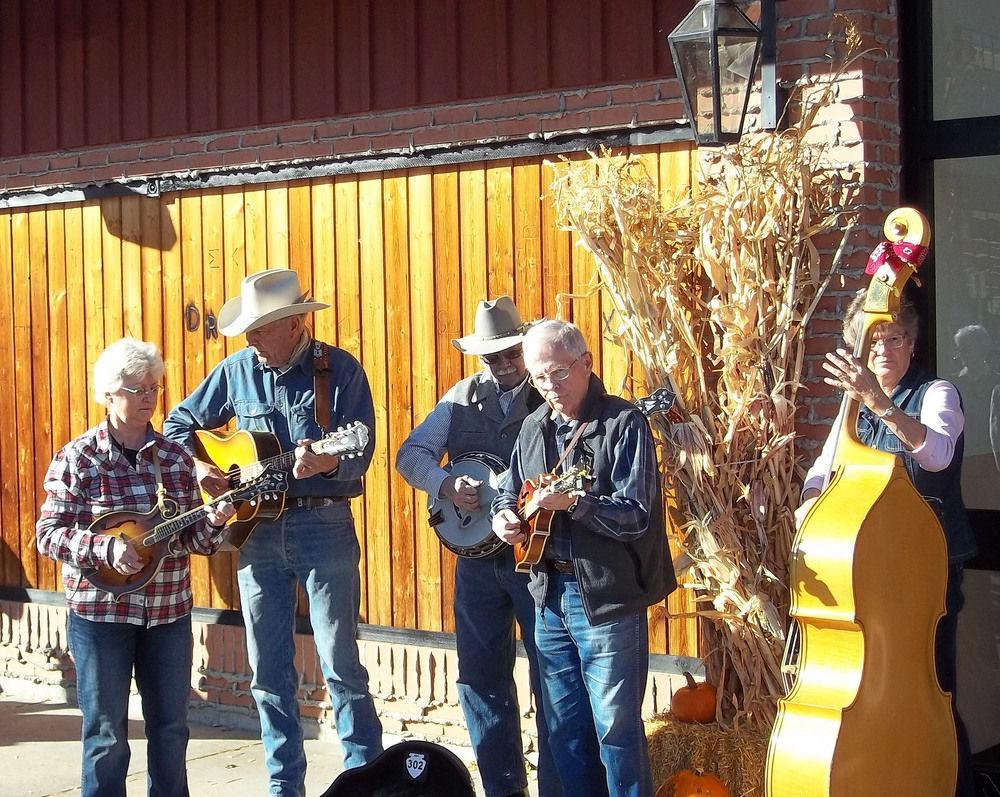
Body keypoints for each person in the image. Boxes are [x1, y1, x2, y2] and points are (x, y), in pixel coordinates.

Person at [162, 269, 383, 797]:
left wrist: (324, 463)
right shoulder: (236, 370)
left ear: (294, 323)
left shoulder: (339, 371)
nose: (250, 339)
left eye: (260, 329)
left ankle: (369, 782)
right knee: (268, 673)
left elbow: (362, 450)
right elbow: (176, 425)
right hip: (255, 534)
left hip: (323, 526)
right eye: (249, 330)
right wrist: (201, 468)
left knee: (341, 664)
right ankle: (285, 787)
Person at [36, 338, 235, 797]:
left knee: (170, 730)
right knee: (106, 736)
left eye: (154, 388)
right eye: (137, 387)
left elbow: (188, 541)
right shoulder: (79, 458)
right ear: (109, 393)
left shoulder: (175, 459)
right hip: (100, 616)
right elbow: (48, 534)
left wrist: (213, 522)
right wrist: (105, 549)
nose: (148, 396)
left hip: (167, 614)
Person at [797, 291, 977, 797]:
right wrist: (811, 504)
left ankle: (951, 785)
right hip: (875, 567)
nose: (882, 351)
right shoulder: (852, 406)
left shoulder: (937, 392)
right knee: (880, 689)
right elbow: (822, 469)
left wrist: (878, 402)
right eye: (872, 341)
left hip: (928, 563)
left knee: (930, 689)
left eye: (892, 339)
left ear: (911, 344)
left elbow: (937, 454)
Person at [491, 319, 676, 797]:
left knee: (616, 733)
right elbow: (507, 493)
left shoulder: (623, 422)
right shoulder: (533, 427)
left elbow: (636, 515)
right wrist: (504, 519)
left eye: (557, 372)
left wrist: (575, 503)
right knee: (565, 733)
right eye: (538, 377)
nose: (548, 386)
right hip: (547, 597)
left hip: (607, 598)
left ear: (587, 364)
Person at [396, 296, 560, 797]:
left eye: (512, 353)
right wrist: (445, 485)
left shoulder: (551, 391)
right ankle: (502, 790)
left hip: (538, 561)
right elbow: (410, 454)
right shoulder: (459, 398)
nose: (505, 365)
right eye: (493, 357)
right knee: (480, 681)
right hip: (476, 567)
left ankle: (556, 788)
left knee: (553, 682)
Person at [952, 324, 1000, 508]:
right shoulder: (951, 383)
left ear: (983, 349)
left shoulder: (996, 382)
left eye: (970, 348)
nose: (965, 354)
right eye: (962, 348)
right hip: (960, 459)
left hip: (991, 459)